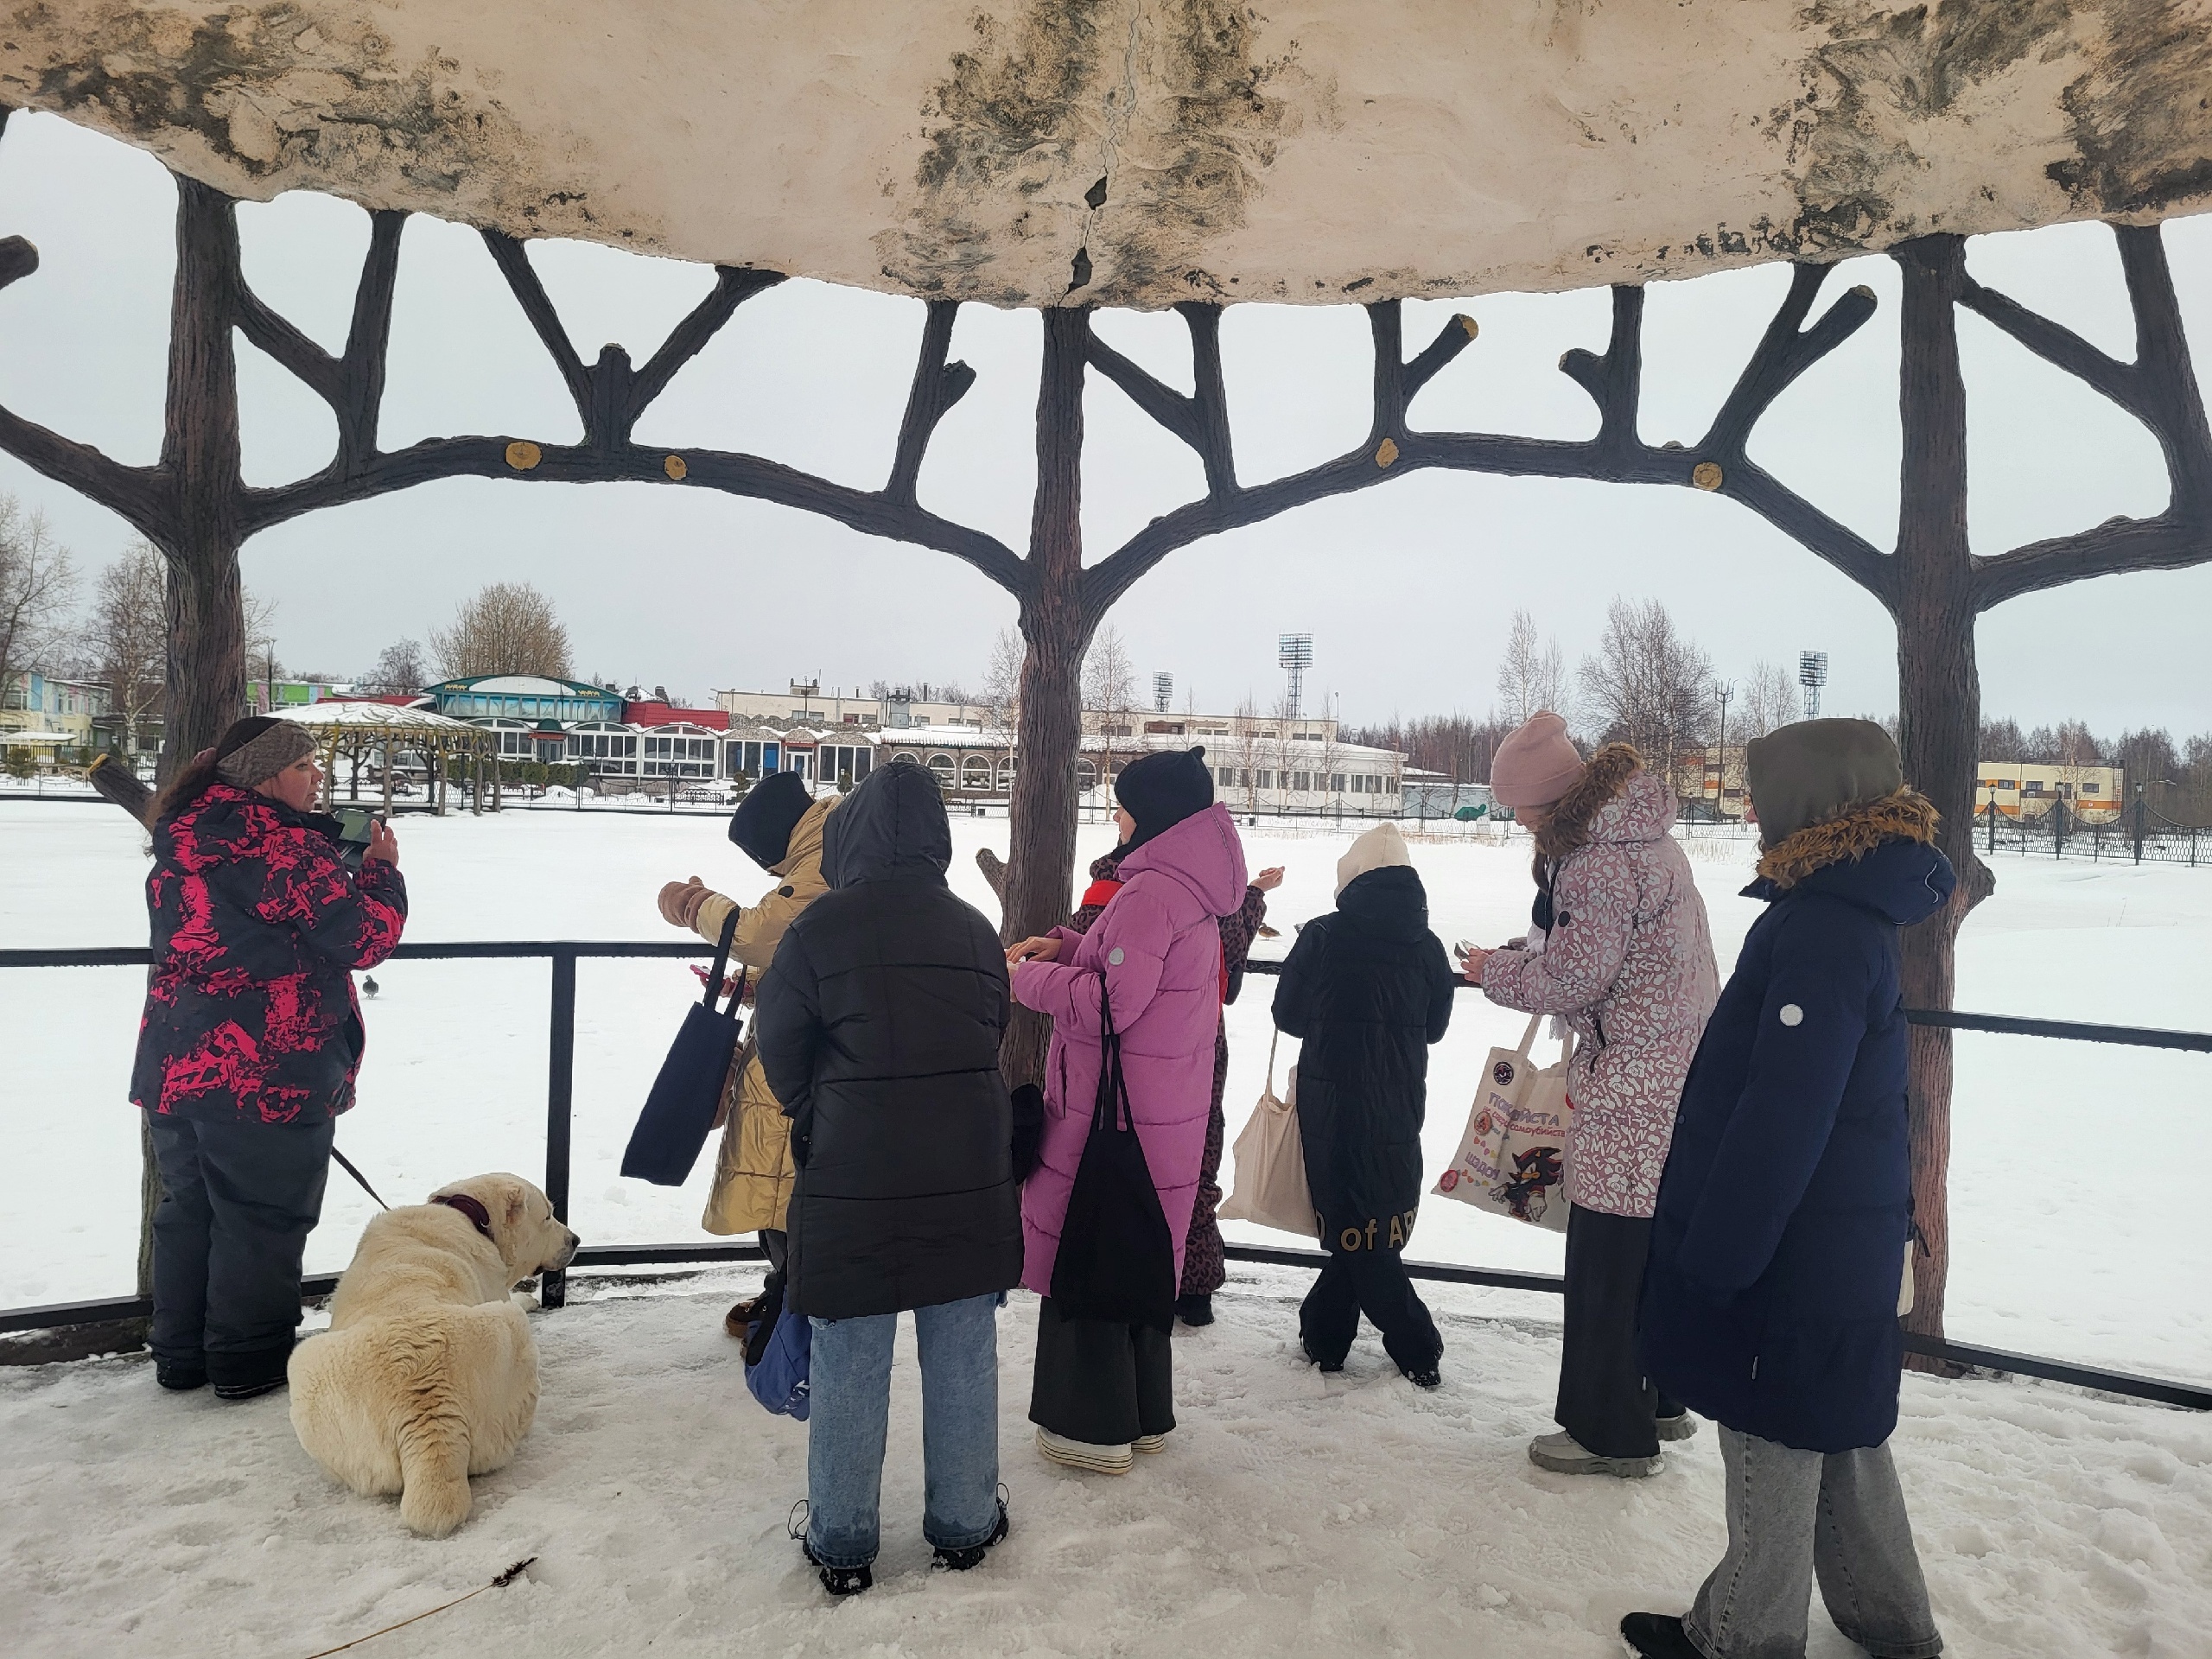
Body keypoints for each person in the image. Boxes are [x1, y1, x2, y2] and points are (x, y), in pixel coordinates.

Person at [1623, 718, 1953, 1659]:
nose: (1751, 809)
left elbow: (1782, 1117)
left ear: (1808, 803)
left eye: (1762, 793)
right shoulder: (1841, 915)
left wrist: (1718, 1257)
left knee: (1772, 1440)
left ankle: (1740, 1638)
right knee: (1839, 1435)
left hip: (1791, 1255)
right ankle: (1894, 1627)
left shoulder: (1819, 928)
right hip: (1832, 1247)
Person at [753, 760, 1022, 1596]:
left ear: (853, 835)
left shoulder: (818, 930)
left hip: (851, 1178)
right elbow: (994, 1029)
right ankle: (966, 1526)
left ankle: (841, 1543)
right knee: (962, 1356)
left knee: (850, 1360)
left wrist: (823, 1110)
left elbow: (780, 1049)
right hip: (967, 1174)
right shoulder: (976, 930)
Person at [1462, 711, 1718, 1476]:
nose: (1514, 817)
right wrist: (1532, 951)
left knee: (1605, 1258)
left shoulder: (1597, 862)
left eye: (1519, 805)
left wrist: (1488, 971)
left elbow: (1577, 978)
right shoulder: (1646, 842)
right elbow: (1602, 953)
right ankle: (1658, 1396)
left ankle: (1609, 1431)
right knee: (1648, 1247)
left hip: (1629, 1082)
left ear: (1548, 801)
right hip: (1674, 1068)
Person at [132, 717, 406, 1400]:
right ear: (266, 775)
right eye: (307, 765)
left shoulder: (183, 836)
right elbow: (362, 938)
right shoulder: (281, 849)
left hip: (176, 1063)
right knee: (262, 1220)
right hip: (265, 1071)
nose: (318, 778)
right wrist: (382, 877)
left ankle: (182, 1356)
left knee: (189, 1211)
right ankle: (247, 1365)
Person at [1007, 747, 1246, 1474]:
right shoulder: (1185, 888)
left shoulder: (1150, 893)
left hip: (1114, 1117)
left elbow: (1110, 1005)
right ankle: (1140, 1415)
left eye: (1122, 805)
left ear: (1153, 813)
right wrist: (1071, 944)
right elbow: (1135, 966)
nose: (1115, 818)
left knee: (1093, 1253)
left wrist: (1031, 979)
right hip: (1157, 1112)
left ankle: (1090, 1426)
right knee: (1136, 1254)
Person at [1061, 832, 1283, 1327]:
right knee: (1192, 1157)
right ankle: (1195, 1282)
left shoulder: (1111, 893)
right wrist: (1252, 898)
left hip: (1128, 1048)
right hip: (1199, 1036)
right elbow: (1227, 961)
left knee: (1126, 1158)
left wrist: (1047, 964)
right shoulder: (1201, 896)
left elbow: (1088, 974)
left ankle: (1125, 1276)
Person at [1271, 822, 1457, 1385]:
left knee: (1354, 1227)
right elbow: (1436, 1028)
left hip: (1330, 1099)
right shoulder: (1426, 947)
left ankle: (1415, 1345)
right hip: (1398, 1096)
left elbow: (1287, 1016)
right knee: (1370, 1222)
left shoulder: (1323, 936)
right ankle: (1324, 1335)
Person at [656, 769, 834, 1341]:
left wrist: (693, 904)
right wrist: (758, 984)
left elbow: (761, 932)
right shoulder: (824, 848)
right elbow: (804, 948)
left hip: (806, 1055)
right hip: (804, 1040)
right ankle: (786, 1296)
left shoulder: (821, 861)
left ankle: (792, 1311)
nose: (769, 874)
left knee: (788, 1189)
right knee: (781, 1188)